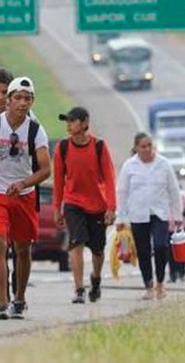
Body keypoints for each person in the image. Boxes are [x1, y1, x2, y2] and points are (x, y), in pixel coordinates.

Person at [0, 76, 51, 320]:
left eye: (27, 99)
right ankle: (2, 301)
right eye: (17, 98)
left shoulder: (36, 130)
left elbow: (46, 169)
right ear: (8, 100)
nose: (22, 103)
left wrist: (24, 183)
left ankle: (20, 297)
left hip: (24, 195)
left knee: (23, 249)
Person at [52, 107, 116, 304]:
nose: (69, 125)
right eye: (67, 121)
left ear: (85, 122)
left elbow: (109, 177)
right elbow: (58, 181)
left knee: (97, 250)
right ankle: (79, 288)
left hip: (97, 205)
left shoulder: (99, 146)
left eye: (73, 121)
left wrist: (111, 207)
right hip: (73, 203)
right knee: (76, 242)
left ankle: (95, 279)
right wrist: (57, 208)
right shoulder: (62, 148)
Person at [116, 132, 182, 300]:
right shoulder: (129, 166)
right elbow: (122, 192)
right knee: (143, 251)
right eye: (143, 147)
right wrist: (121, 218)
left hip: (159, 213)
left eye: (149, 146)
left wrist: (177, 215)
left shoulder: (164, 164)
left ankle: (160, 282)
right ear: (136, 148)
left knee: (161, 246)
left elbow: (174, 191)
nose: (146, 150)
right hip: (138, 214)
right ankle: (148, 285)